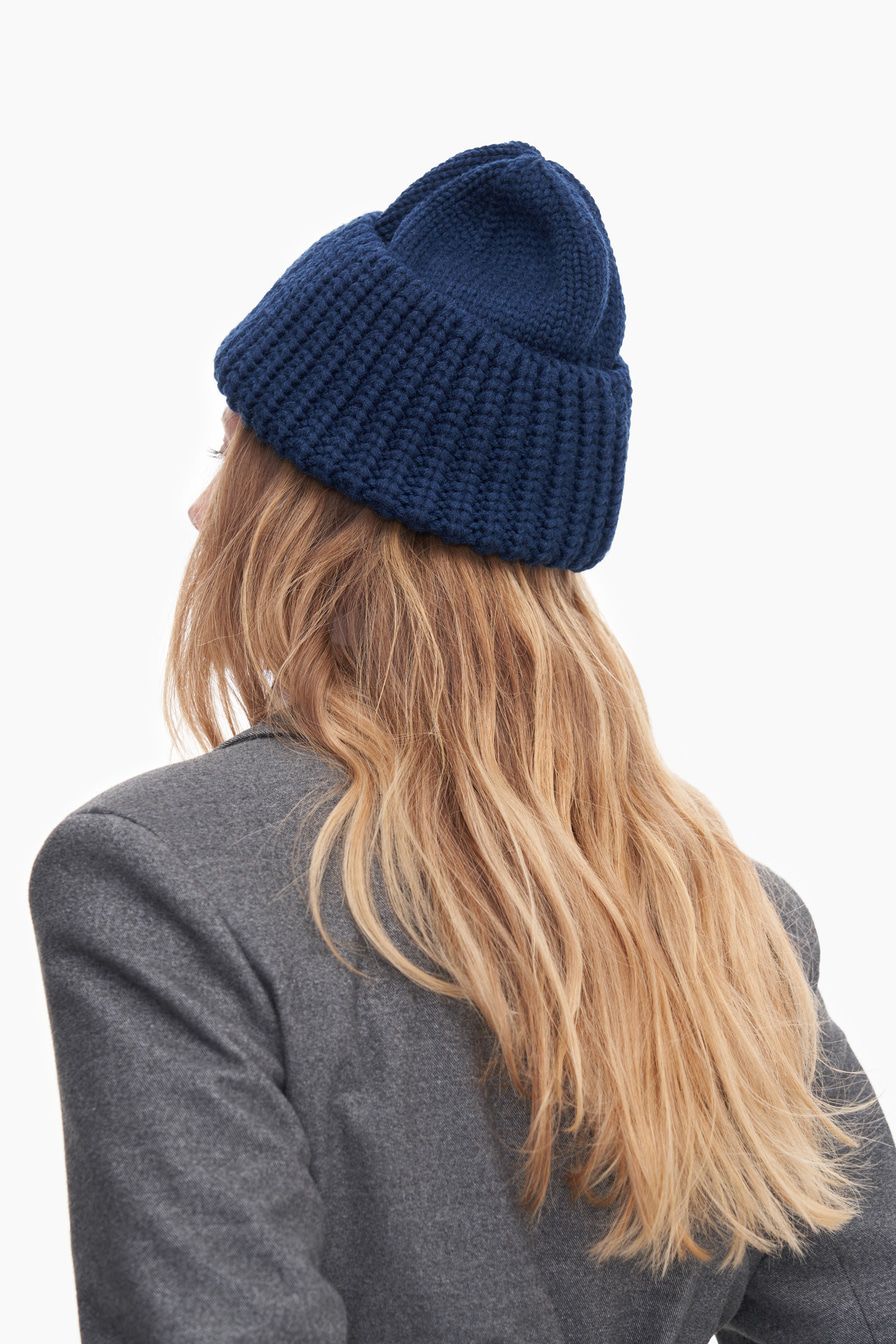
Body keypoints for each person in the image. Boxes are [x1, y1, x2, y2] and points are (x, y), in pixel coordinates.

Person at [28, 141, 895, 1344]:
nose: (199, 502)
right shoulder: (732, 918)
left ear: (302, 508)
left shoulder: (156, 878)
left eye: (232, 448)